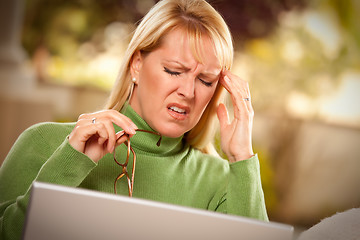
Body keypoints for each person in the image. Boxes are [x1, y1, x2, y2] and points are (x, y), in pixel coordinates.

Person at [0, 0, 268, 239]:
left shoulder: (221, 181)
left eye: (205, 80)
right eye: (174, 71)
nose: (188, 92)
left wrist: (242, 157)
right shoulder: (44, 143)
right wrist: (67, 166)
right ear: (136, 64)